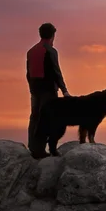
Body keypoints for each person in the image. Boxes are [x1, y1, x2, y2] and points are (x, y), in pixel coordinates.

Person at [26, 23, 70, 159]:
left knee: (34, 117)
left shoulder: (31, 51)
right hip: (48, 90)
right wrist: (64, 91)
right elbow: (57, 72)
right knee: (46, 118)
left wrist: (31, 87)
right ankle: (41, 150)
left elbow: (28, 73)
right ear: (52, 35)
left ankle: (33, 147)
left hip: (34, 89)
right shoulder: (51, 51)